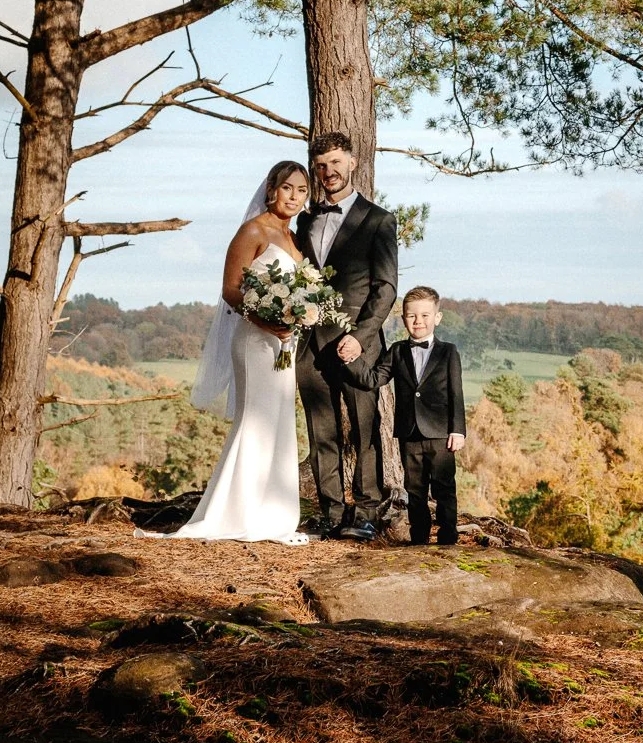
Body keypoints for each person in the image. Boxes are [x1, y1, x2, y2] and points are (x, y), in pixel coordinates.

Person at [141, 161, 312, 544]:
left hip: (285, 342)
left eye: (302, 191)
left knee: (281, 422)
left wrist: (296, 317)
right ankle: (237, 512)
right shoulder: (253, 230)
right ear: (272, 189)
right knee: (255, 419)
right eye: (288, 188)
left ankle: (276, 514)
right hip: (255, 339)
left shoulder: (295, 238)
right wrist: (269, 320)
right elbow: (231, 290)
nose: (295, 197)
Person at [293, 132, 398, 540]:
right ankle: (333, 512)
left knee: (366, 429)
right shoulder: (305, 220)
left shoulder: (378, 220)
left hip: (359, 345)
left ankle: (367, 511)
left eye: (335, 162)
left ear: (352, 163)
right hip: (310, 347)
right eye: (321, 166)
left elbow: (385, 287)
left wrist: (361, 335)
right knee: (322, 433)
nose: (328, 172)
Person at [343, 287, 465, 545]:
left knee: (444, 489)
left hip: (441, 434)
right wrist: (351, 360)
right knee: (415, 490)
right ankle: (418, 540)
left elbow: (456, 393)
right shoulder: (397, 351)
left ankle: (448, 539)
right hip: (409, 434)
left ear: (437, 317)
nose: (418, 321)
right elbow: (375, 378)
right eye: (411, 316)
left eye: (424, 315)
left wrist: (458, 430)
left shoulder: (448, 352)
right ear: (403, 319)